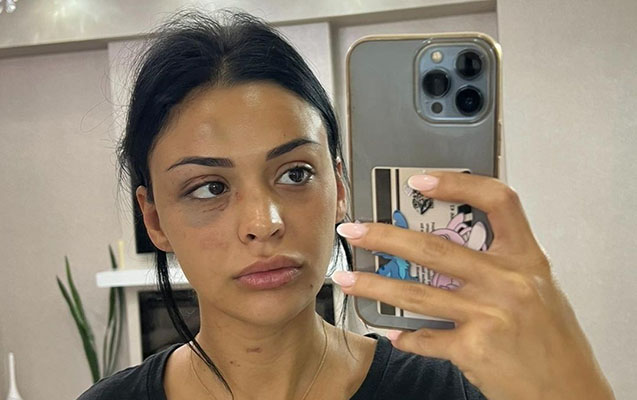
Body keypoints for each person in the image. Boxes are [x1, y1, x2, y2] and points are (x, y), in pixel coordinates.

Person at [78, 9, 615, 400]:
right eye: (209, 187)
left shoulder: (444, 388)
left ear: (339, 187)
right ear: (155, 219)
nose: (263, 223)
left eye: (295, 174)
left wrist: (571, 385)